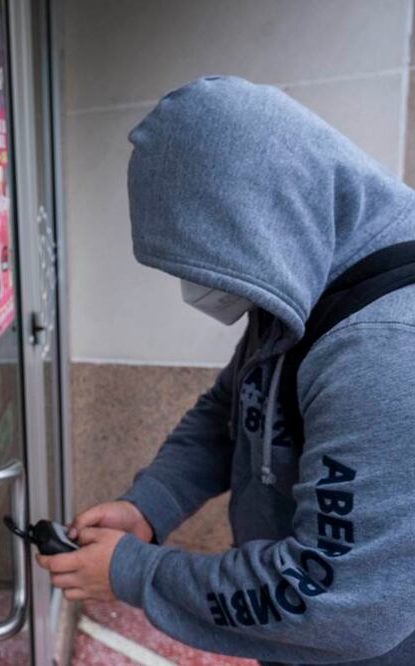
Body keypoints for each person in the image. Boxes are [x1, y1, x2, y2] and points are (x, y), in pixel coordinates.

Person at [36, 76, 415, 665]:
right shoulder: (311, 282)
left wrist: (135, 573)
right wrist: (150, 504)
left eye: (216, 259)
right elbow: (231, 411)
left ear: (261, 222)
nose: (203, 289)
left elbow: (342, 604)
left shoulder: (385, 352)